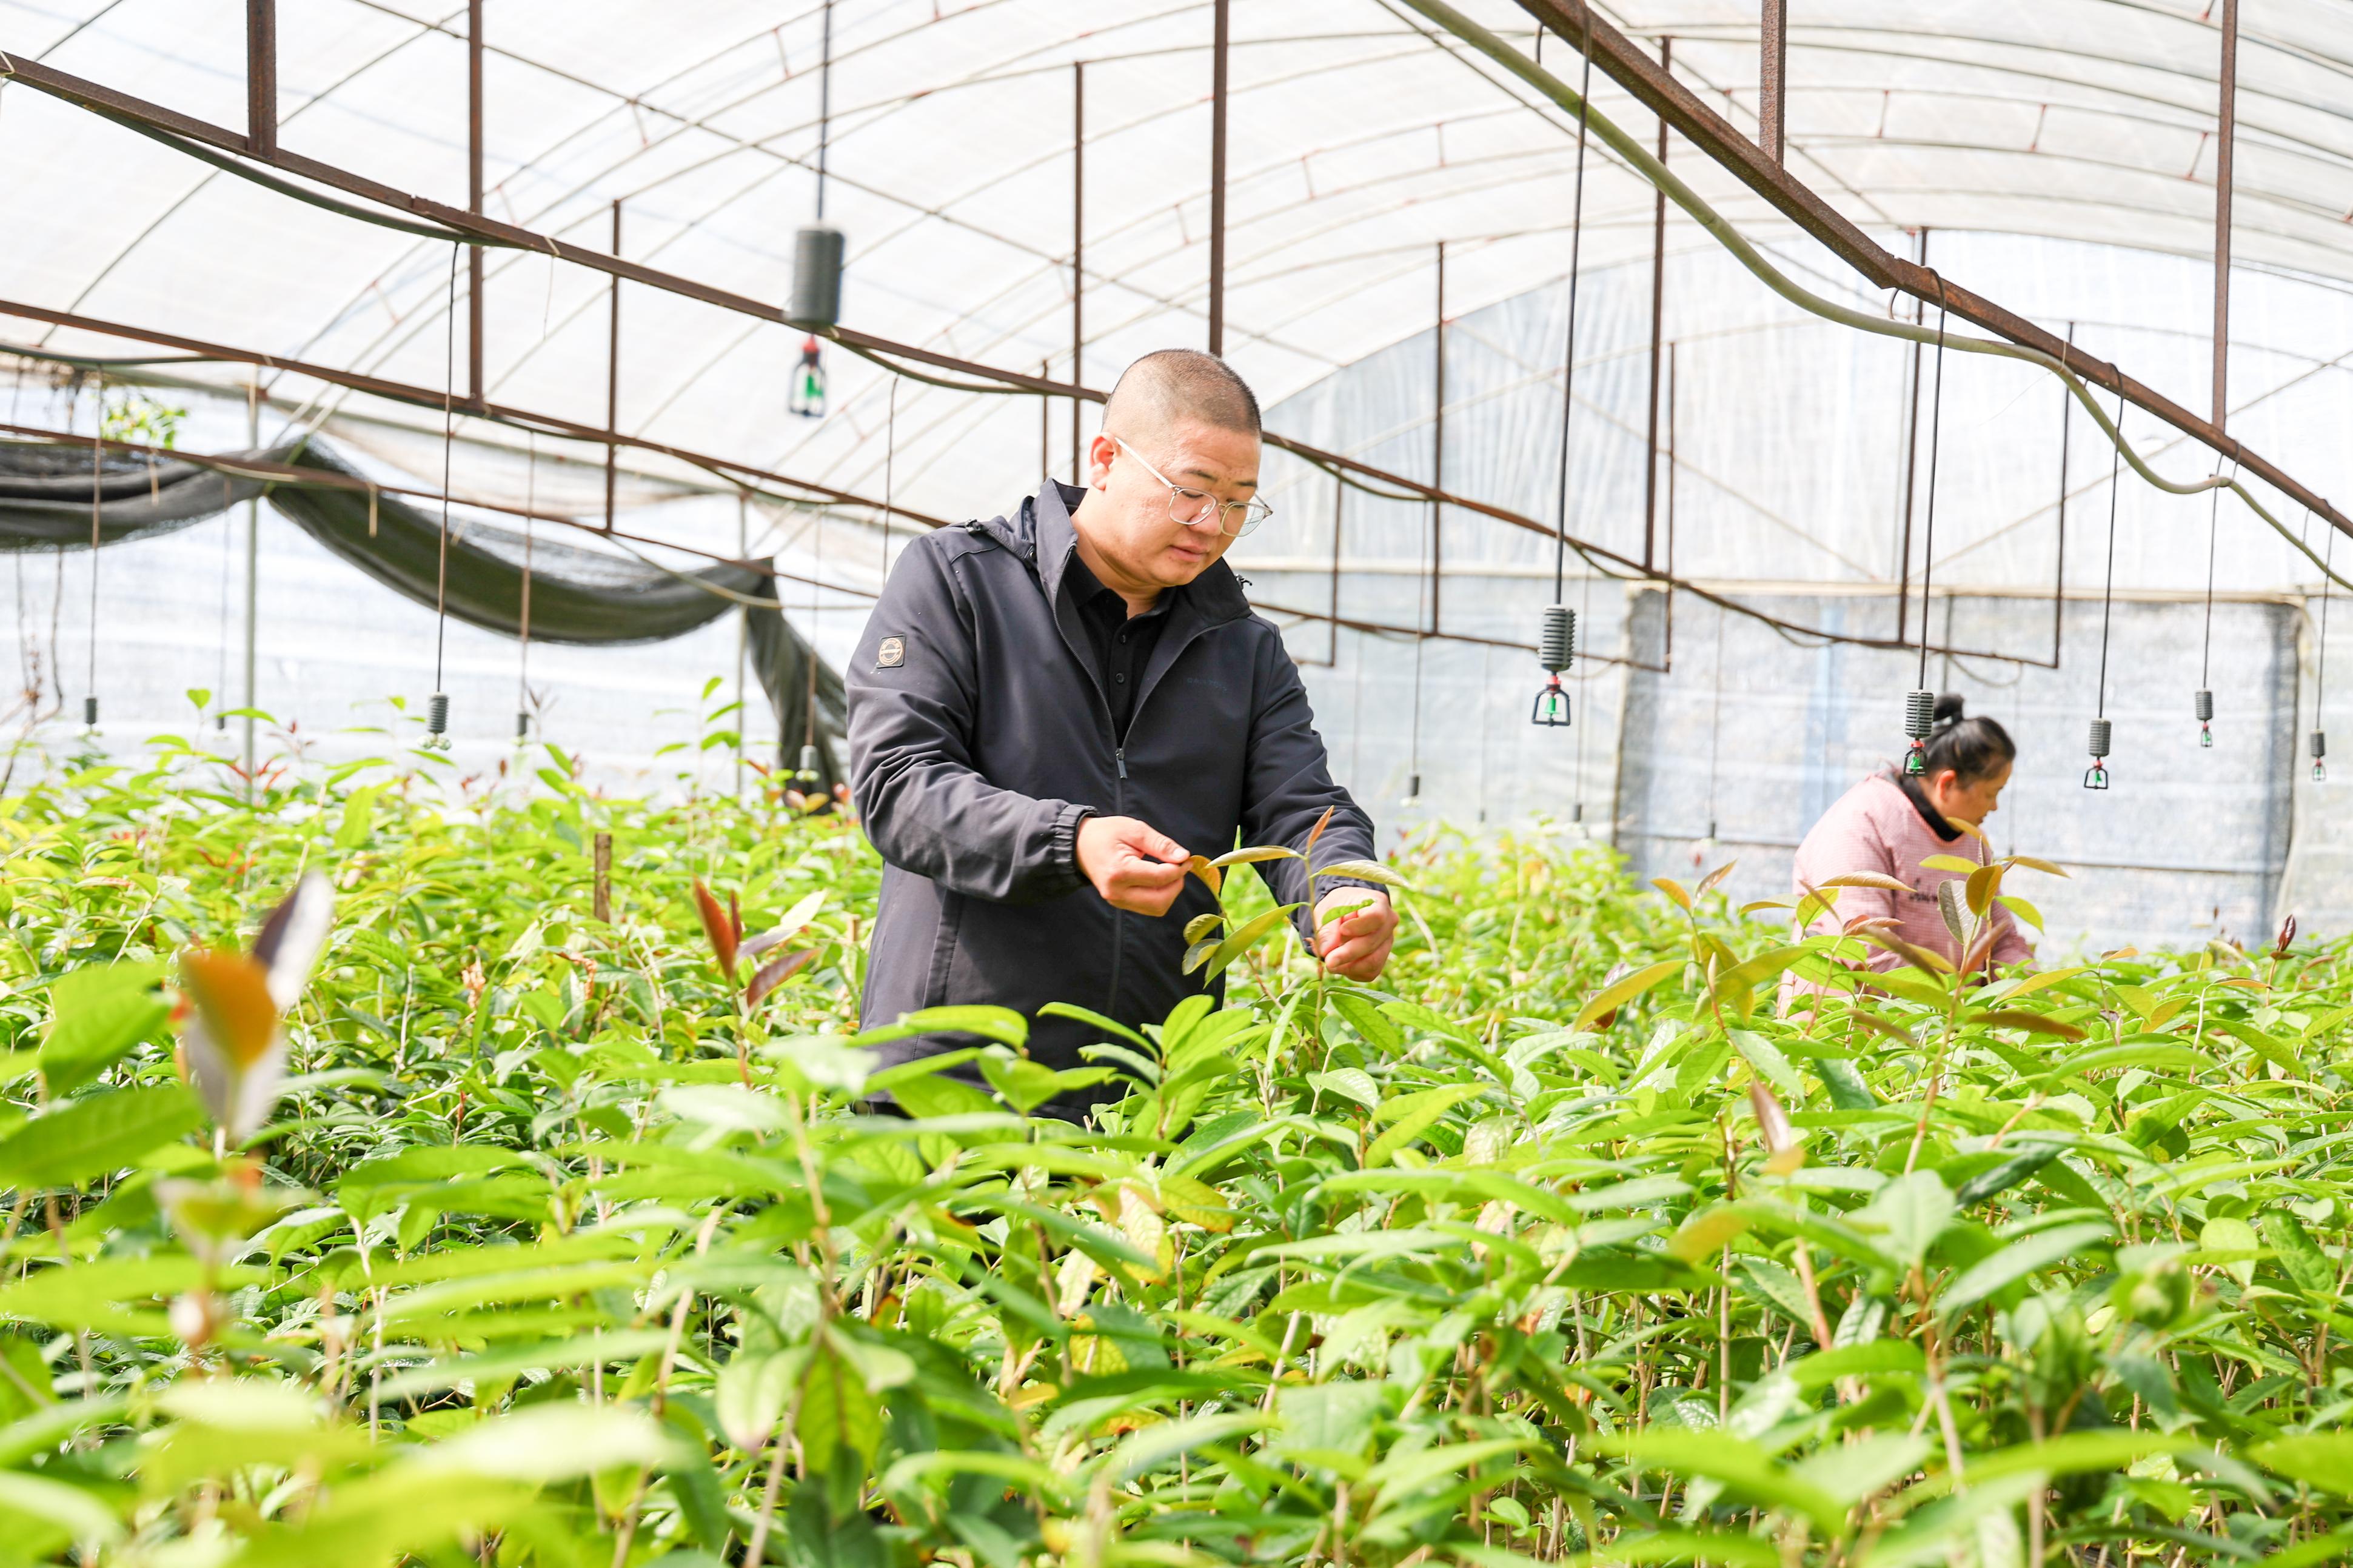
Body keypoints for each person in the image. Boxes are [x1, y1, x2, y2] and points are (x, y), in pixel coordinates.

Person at [846, 349, 1397, 1106]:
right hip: (952, 1077)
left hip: (1147, 1090)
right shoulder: (959, 581)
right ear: (1105, 460)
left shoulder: (1242, 648)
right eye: (1190, 493)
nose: (1212, 526)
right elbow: (898, 785)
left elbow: (1299, 805)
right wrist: (1068, 841)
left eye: (1239, 504)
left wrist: (1339, 890)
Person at [1787, 693, 2032, 993]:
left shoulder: (1972, 842)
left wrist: (2029, 994)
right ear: (1947, 784)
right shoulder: (1862, 822)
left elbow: (2001, 939)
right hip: (1847, 1017)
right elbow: (1865, 946)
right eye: (1991, 793)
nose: (1994, 807)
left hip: (1940, 1017)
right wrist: (1948, 1007)